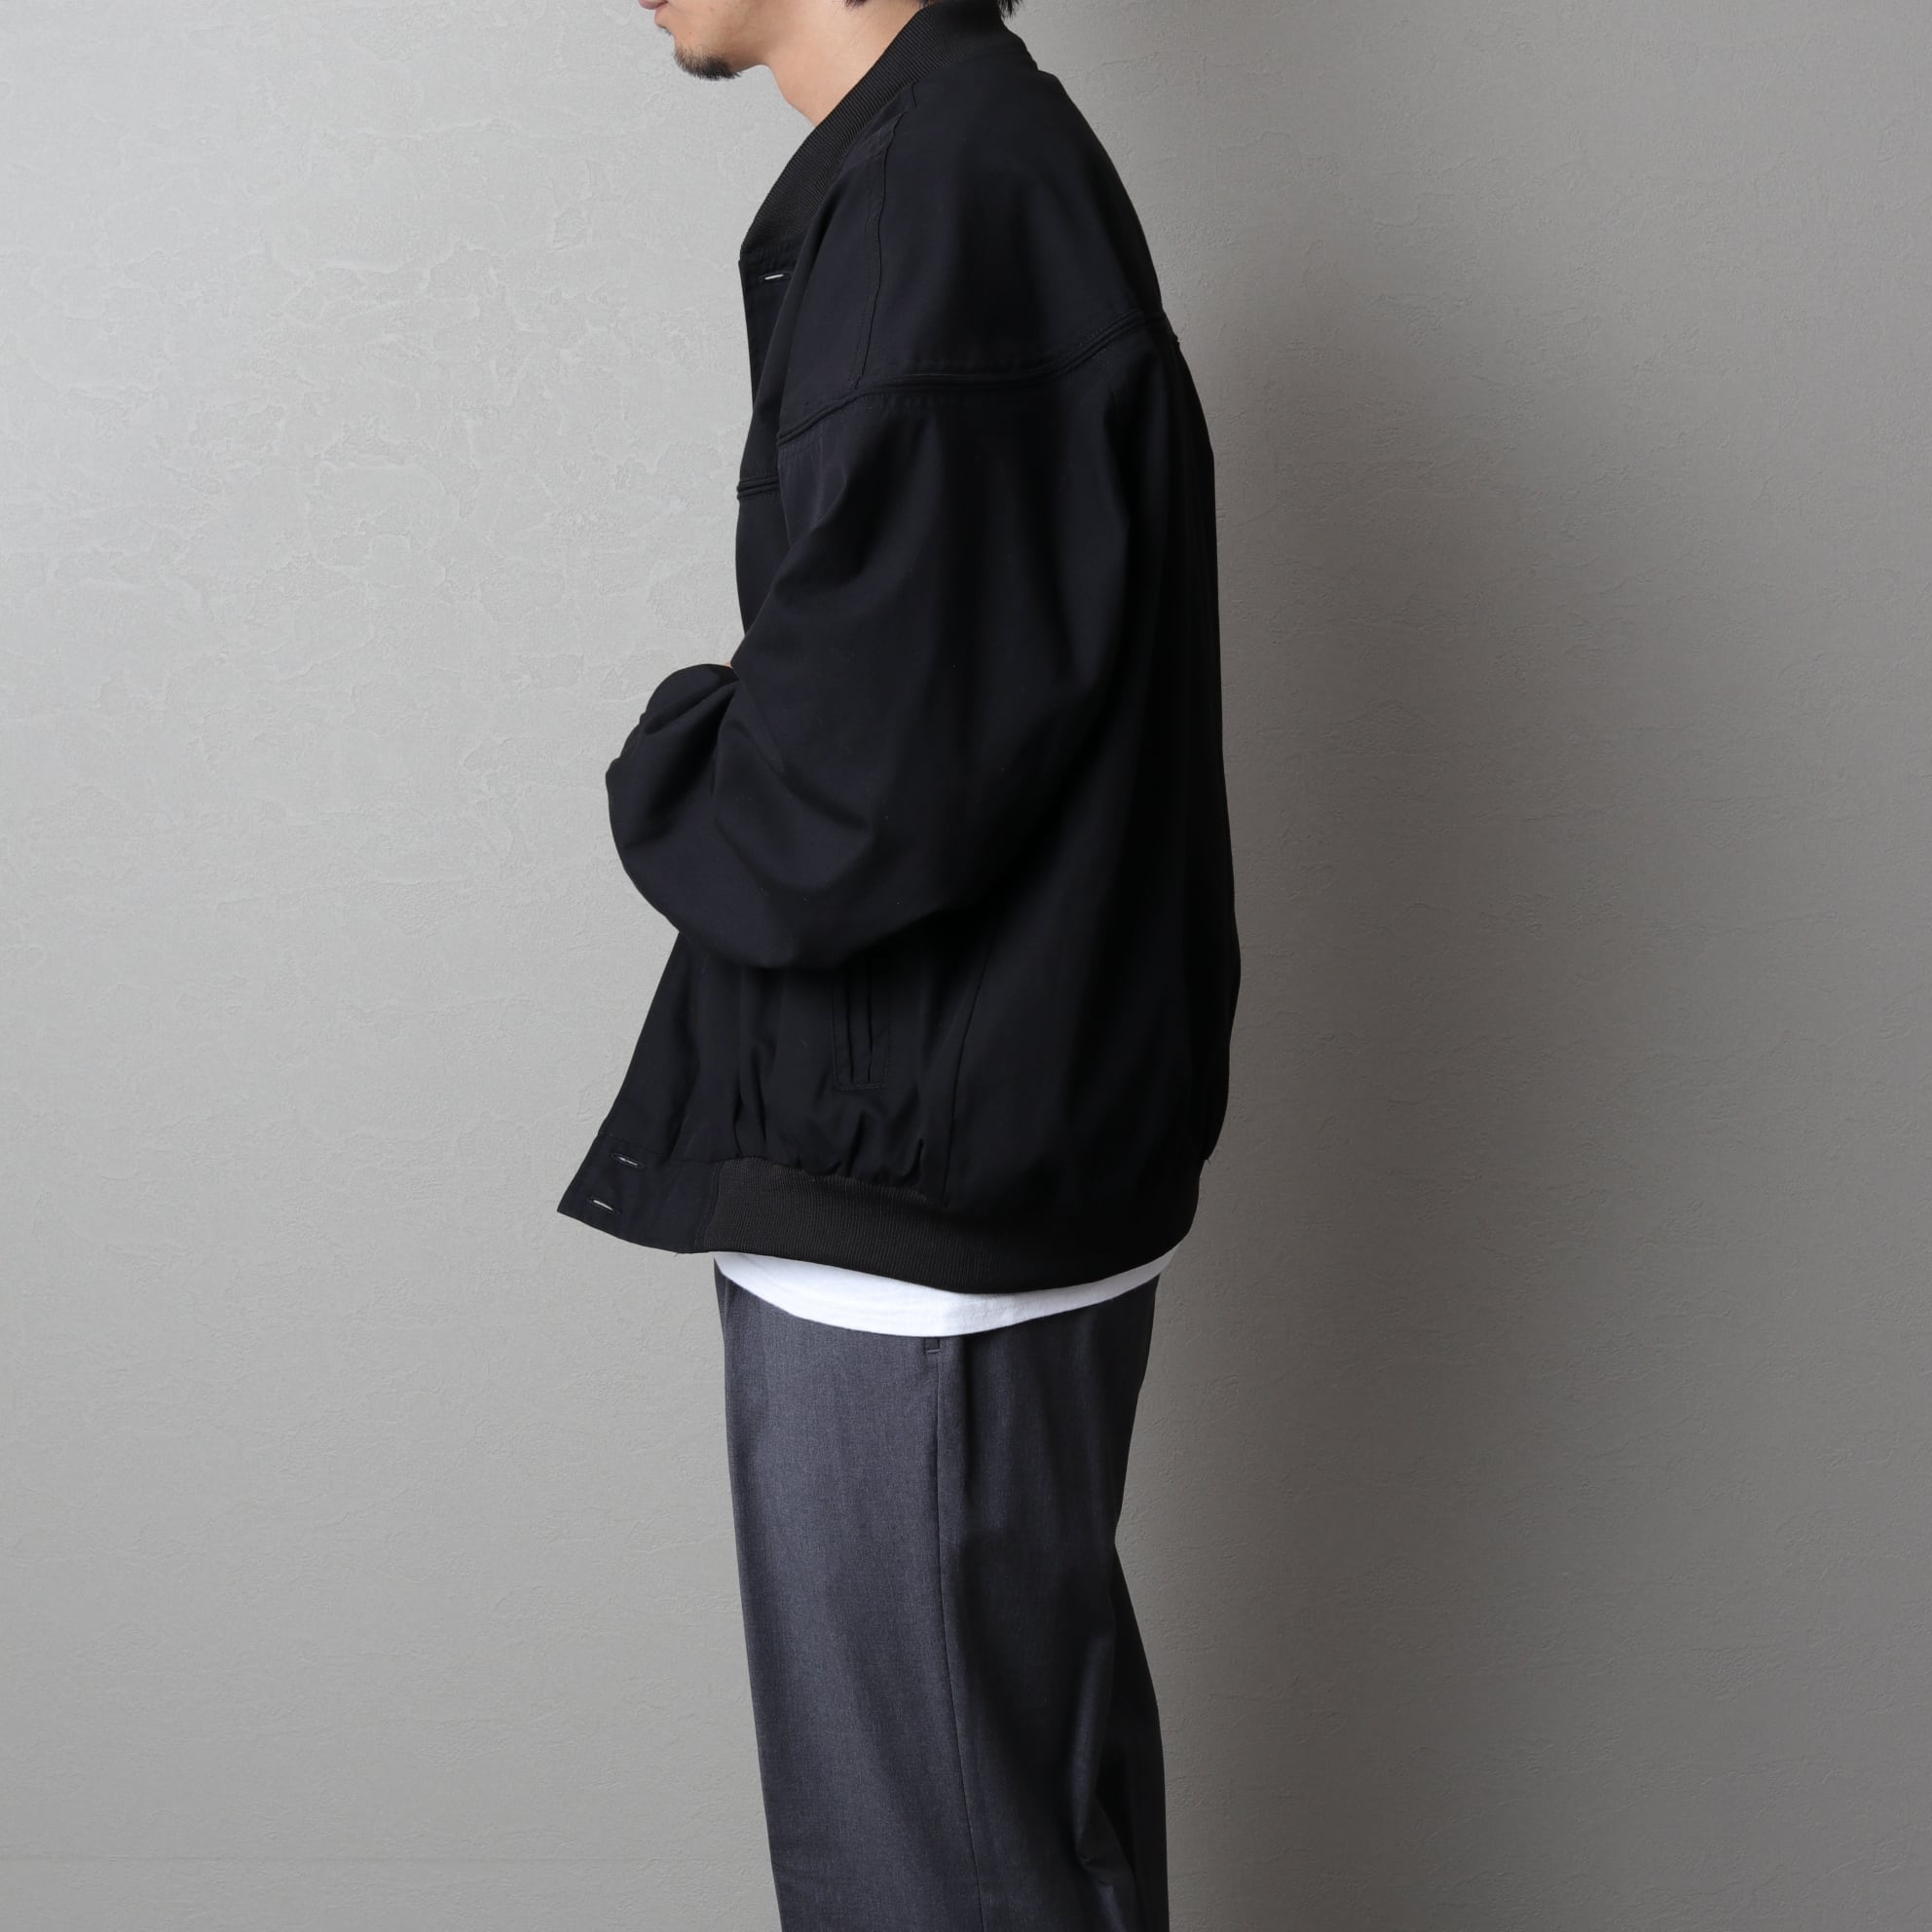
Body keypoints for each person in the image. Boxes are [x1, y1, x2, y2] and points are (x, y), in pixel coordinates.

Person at [556, 0, 1241, 1923]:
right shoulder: (960, 173)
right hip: (965, 1166)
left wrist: (671, 744)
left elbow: (841, 797)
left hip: (914, 1216)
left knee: (928, 1878)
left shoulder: (948, 198)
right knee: (1022, 1844)